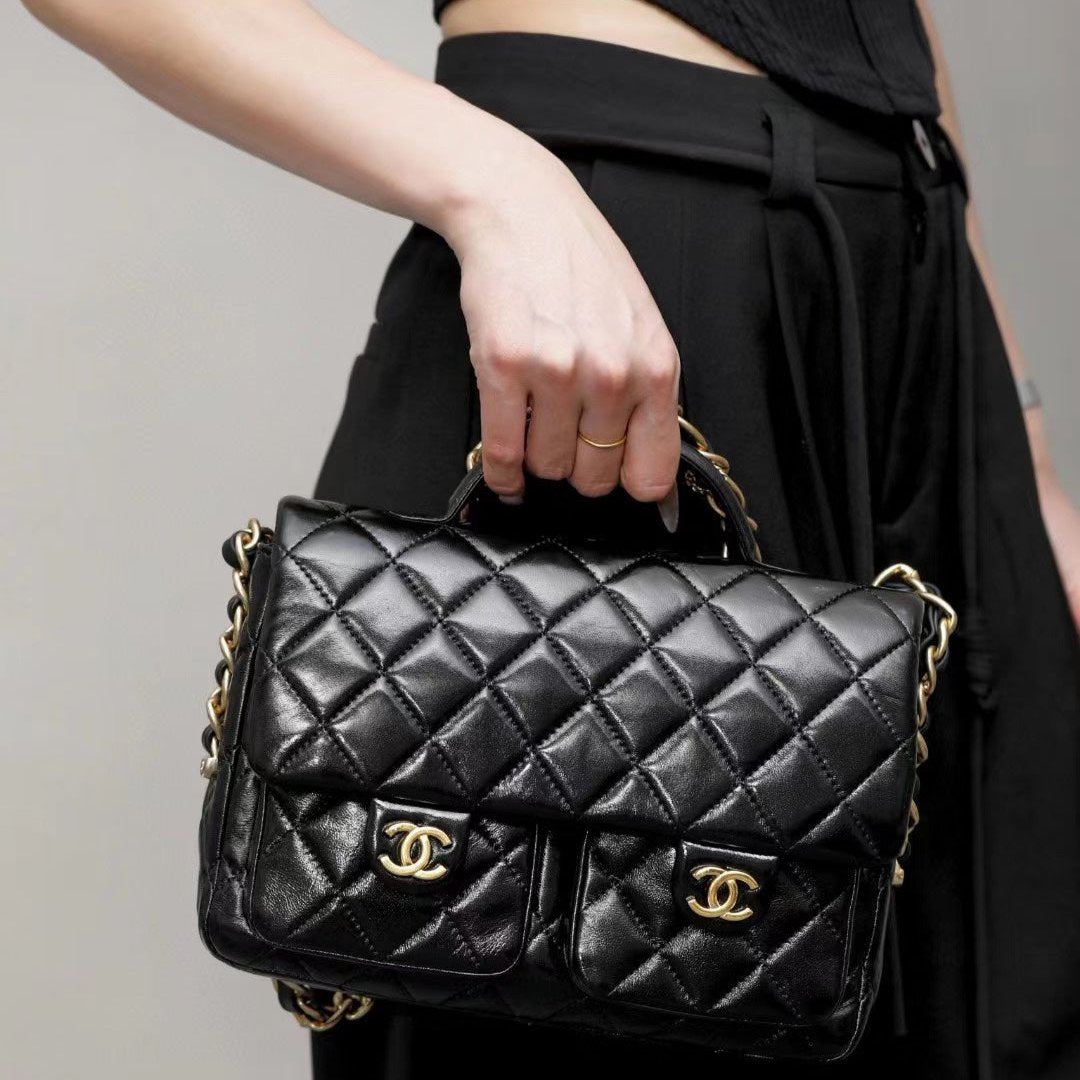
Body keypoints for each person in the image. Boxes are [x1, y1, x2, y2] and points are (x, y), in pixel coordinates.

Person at [23, 0, 1080, 1076]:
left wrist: (1024, 443)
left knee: (991, 994)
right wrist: (496, 183)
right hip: (625, 266)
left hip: (917, 302)